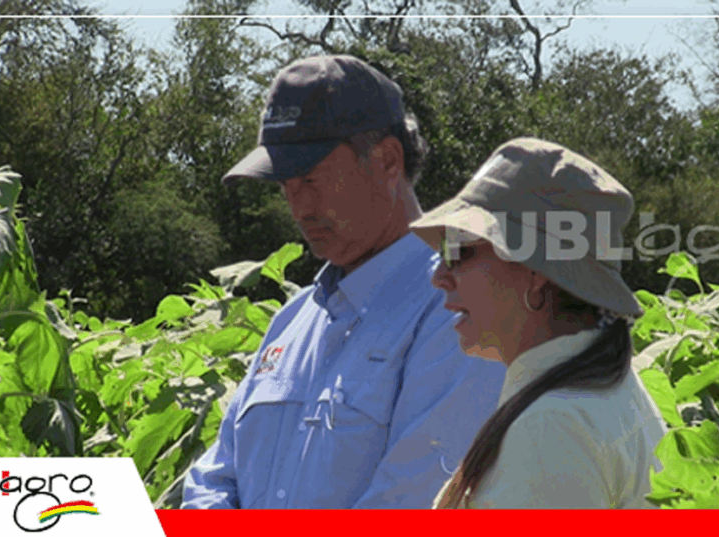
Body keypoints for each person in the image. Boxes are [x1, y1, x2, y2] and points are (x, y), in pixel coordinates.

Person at [181, 55, 506, 509]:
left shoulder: (456, 310)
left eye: (311, 179)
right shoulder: (291, 322)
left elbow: (414, 503)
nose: (298, 207)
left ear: (387, 160)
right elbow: (213, 478)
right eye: (286, 185)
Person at [408, 137, 668, 509]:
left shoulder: (552, 426)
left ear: (536, 273)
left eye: (459, 250)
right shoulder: (601, 387)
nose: (440, 276)